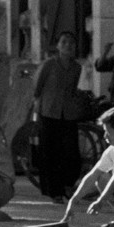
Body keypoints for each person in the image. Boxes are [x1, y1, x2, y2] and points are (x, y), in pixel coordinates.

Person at [32, 31, 85, 204]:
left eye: (71, 43)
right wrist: (38, 106)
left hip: (68, 113)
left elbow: (73, 88)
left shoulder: (77, 67)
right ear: (58, 46)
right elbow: (37, 86)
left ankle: (67, 185)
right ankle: (54, 191)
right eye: (64, 42)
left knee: (71, 152)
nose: (68, 45)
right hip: (48, 111)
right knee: (50, 152)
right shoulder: (49, 64)